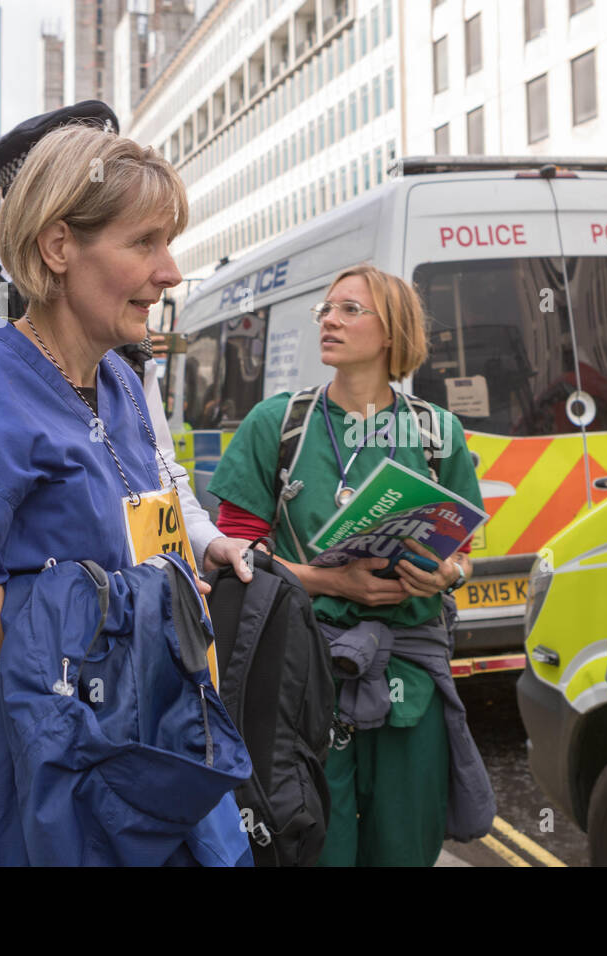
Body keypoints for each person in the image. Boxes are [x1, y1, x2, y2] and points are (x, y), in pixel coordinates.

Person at [0, 118, 251, 866]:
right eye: (144, 243)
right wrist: (116, 608)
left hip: (118, 761)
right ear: (59, 246)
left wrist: (170, 583)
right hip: (5, 786)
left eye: (170, 243)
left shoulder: (122, 383)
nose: (170, 272)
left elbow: (135, 544)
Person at [207, 264, 496, 866]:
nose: (330, 320)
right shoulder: (278, 424)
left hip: (409, 673)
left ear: (391, 331)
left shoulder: (436, 430)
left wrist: (446, 576)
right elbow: (234, 554)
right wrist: (326, 580)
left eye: (349, 310)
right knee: (314, 843)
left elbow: (464, 553)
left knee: (404, 848)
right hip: (301, 668)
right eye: (326, 309)